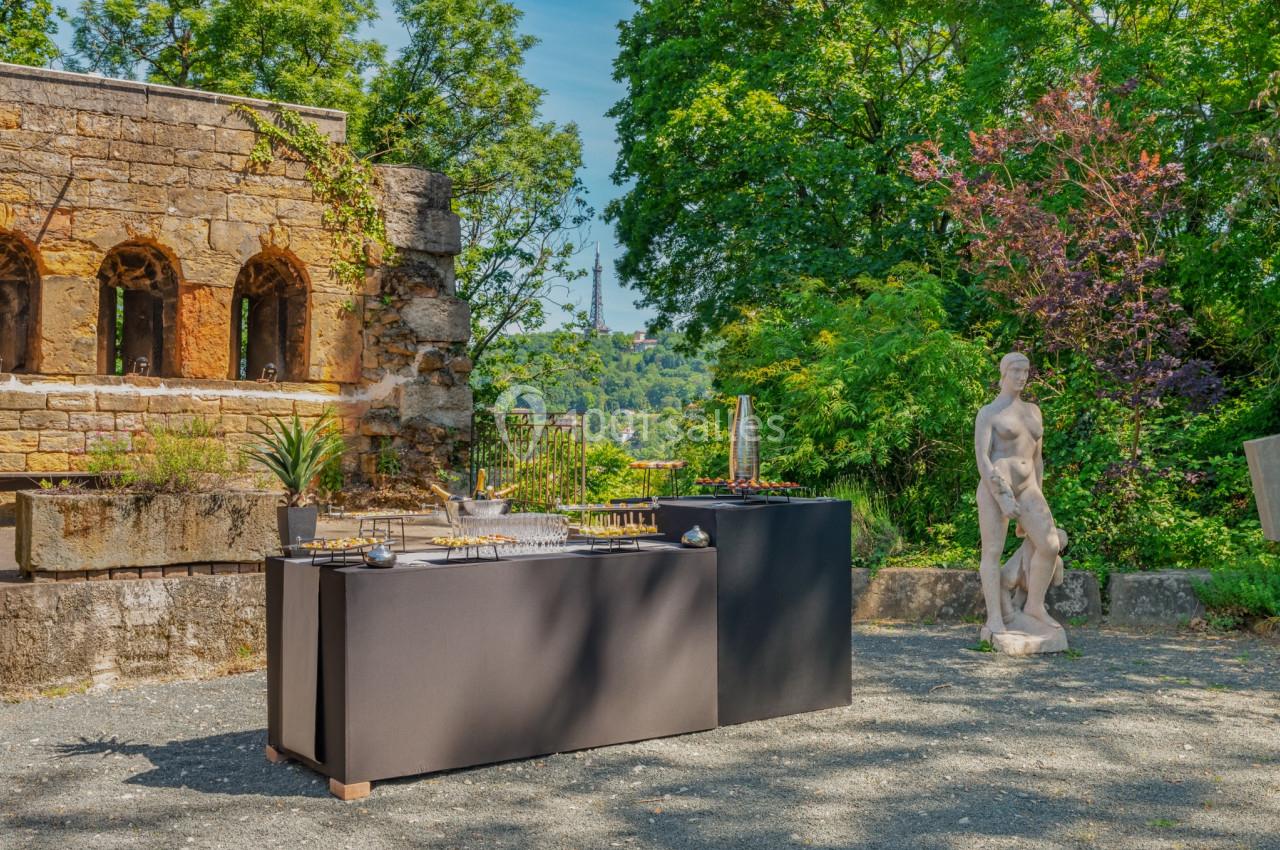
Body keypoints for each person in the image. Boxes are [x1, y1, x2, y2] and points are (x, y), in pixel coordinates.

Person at [974, 352, 1062, 636]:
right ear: (1004, 373)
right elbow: (982, 458)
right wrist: (1001, 495)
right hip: (995, 487)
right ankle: (995, 618)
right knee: (992, 551)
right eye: (1016, 371)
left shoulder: (1034, 411)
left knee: (1050, 545)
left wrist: (1039, 492)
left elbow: (1037, 458)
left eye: (1025, 371)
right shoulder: (989, 412)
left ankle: (1034, 606)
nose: (1022, 376)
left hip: (1028, 488)